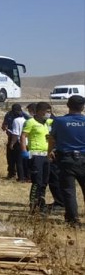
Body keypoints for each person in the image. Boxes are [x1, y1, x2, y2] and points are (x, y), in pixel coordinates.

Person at [48, 94, 85, 227]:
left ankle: (73, 219)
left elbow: (52, 138)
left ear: (68, 105)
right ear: (82, 107)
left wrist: (49, 152)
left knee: (69, 190)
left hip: (66, 159)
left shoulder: (59, 121)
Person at [20, 102, 54, 213]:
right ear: (40, 111)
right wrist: (24, 150)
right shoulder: (30, 122)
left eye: (50, 112)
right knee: (37, 182)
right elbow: (23, 135)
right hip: (36, 155)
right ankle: (33, 205)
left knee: (44, 182)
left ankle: (41, 203)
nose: (49, 114)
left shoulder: (47, 122)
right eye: (47, 111)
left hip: (46, 155)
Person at [2, 103, 27, 180]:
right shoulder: (8, 115)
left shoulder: (24, 116)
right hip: (11, 137)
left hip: (20, 139)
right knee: (10, 157)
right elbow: (4, 125)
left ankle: (23, 176)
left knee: (20, 159)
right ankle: (11, 173)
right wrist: (5, 128)